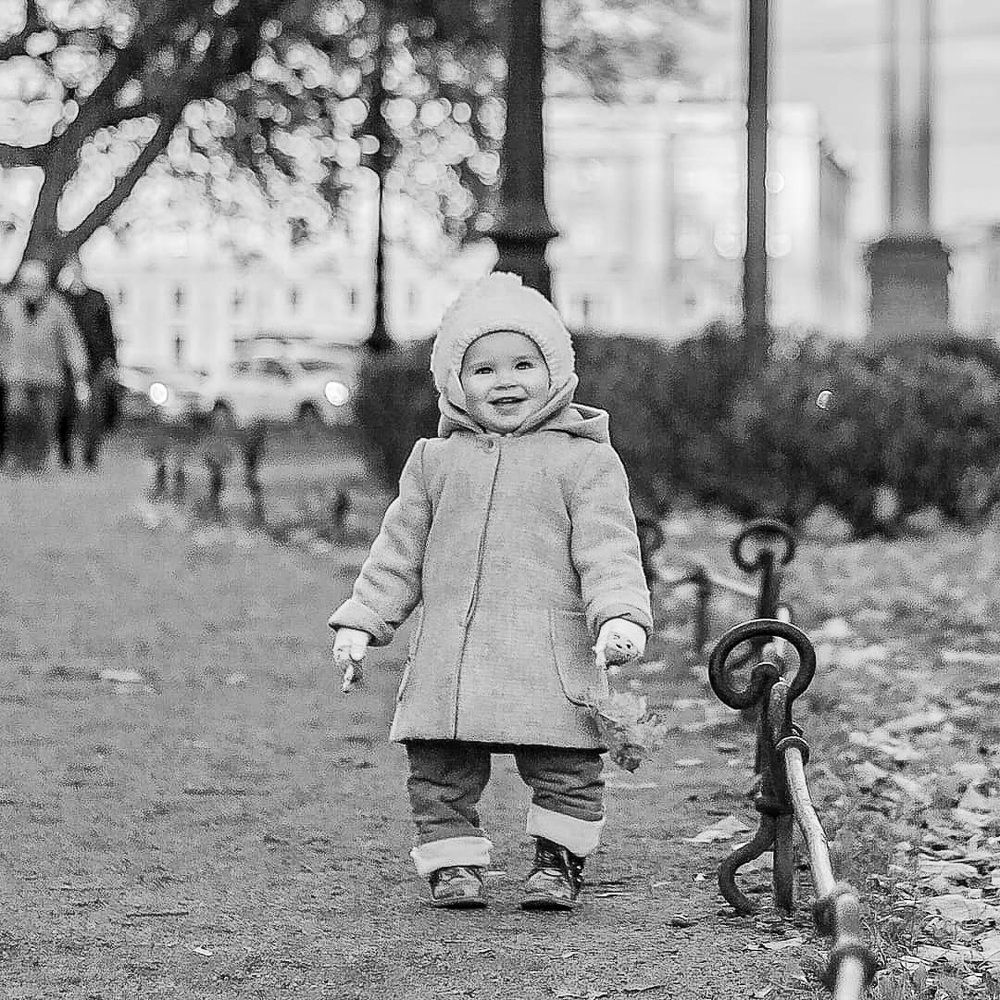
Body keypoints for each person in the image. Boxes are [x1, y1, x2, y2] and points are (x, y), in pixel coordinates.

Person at [329, 272, 653, 911]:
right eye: (482, 370)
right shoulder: (434, 462)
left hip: (550, 645)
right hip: (455, 650)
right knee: (439, 768)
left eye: (523, 364)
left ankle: (558, 862)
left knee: (566, 765)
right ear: (454, 383)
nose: (505, 382)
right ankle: (452, 864)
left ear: (555, 370)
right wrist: (362, 621)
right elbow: (399, 553)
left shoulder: (583, 461)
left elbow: (609, 546)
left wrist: (619, 615)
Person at [0, 258, 89, 472]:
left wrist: (79, 369)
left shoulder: (58, 307)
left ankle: (37, 462)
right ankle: (17, 458)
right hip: (17, 373)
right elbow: (2, 339)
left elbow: (72, 340)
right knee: (16, 414)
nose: (32, 290)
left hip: (48, 376)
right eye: (27, 285)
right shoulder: (8, 306)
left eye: (36, 285)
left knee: (45, 421)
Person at [57, 256, 118, 468]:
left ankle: (90, 455)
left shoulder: (97, 298)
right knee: (66, 409)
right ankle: (65, 454)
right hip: (66, 364)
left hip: (96, 362)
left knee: (96, 410)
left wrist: (111, 360)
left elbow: (108, 332)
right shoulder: (60, 300)